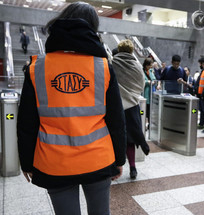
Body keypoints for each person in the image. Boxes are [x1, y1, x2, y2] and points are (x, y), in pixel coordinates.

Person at [17, 2, 127, 214]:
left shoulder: (37, 67)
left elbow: (27, 122)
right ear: (92, 27)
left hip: (54, 162)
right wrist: (119, 158)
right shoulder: (103, 67)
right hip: (98, 158)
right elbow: (116, 119)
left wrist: (27, 162)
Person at [112, 39, 150, 179]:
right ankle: (133, 167)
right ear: (132, 51)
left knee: (116, 136)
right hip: (132, 106)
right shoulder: (137, 65)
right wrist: (132, 94)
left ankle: (115, 166)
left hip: (116, 106)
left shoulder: (112, 62)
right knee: (131, 138)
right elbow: (141, 85)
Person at [143, 57, 157, 128]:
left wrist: (154, 82)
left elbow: (154, 79)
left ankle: (149, 124)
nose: (151, 66)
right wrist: (147, 82)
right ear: (146, 65)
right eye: (150, 65)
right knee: (143, 110)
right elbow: (141, 81)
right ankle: (143, 123)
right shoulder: (142, 71)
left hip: (151, 93)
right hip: (145, 94)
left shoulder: (151, 71)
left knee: (149, 110)